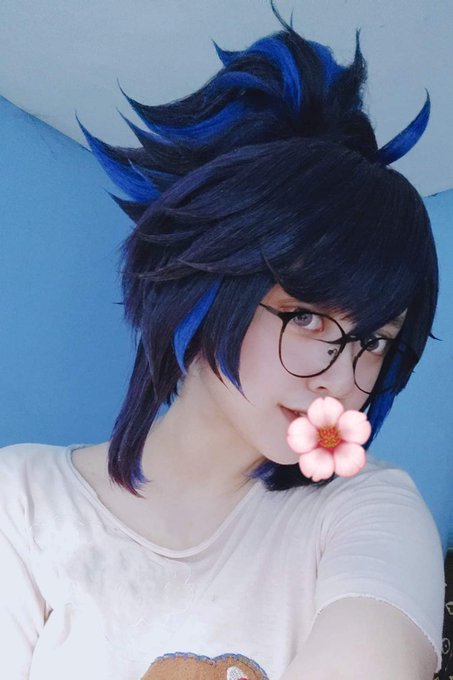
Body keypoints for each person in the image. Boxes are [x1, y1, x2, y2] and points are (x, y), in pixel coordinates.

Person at [0, 6, 445, 679]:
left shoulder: (367, 511)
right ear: (208, 282)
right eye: (305, 317)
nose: (341, 378)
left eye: (374, 340)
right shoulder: (24, 501)